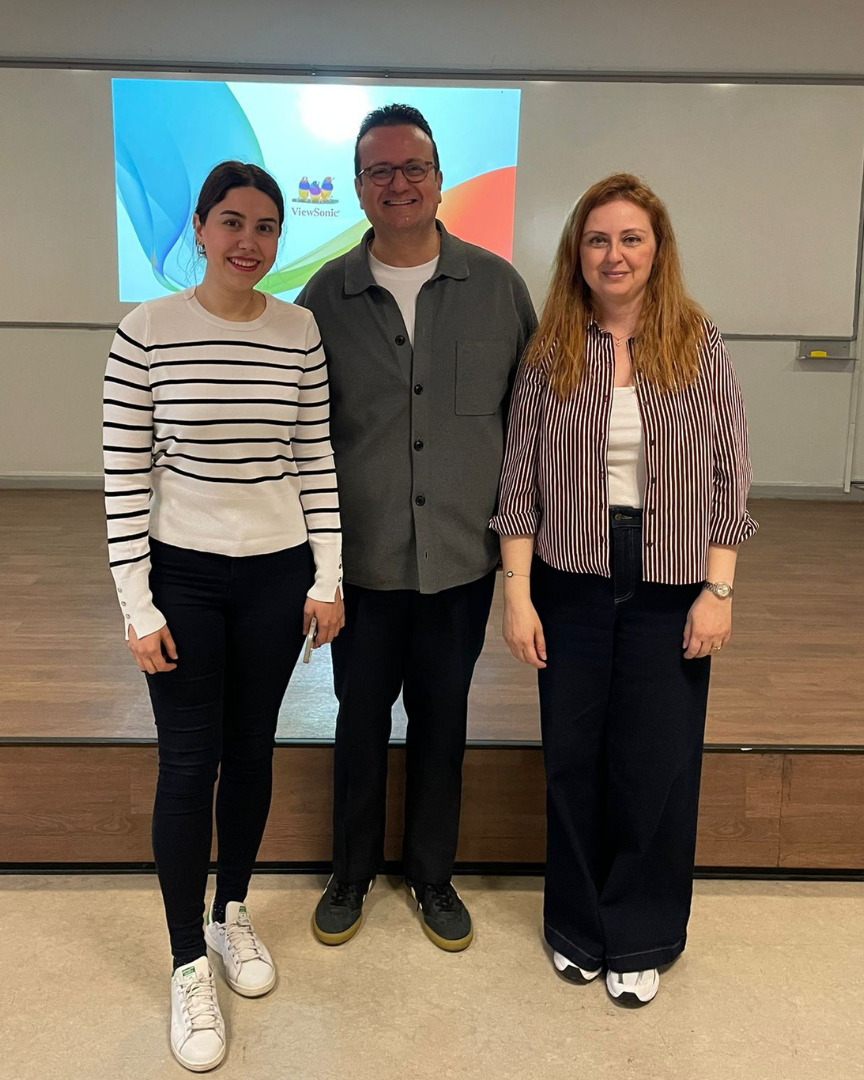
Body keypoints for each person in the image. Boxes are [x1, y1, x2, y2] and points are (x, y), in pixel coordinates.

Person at [490, 173, 757, 1006]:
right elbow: (519, 482)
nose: (614, 254)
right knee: (572, 758)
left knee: (657, 763)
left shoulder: (698, 342)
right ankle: (575, 925)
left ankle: (641, 933)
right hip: (568, 577)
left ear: (657, 248)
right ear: (577, 251)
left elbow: (730, 475)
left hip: (671, 580)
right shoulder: (551, 349)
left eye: (631, 238)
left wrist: (719, 591)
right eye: (598, 239)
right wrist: (517, 594)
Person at [103, 161, 343, 1071]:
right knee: (186, 762)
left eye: (266, 226)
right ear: (200, 229)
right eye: (232, 222)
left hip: (278, 576)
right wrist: (137, 604)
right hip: (184, 578)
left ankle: (229, 912)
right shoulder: (146, 331)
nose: (249, 241)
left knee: (250, 753)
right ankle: (184, 962)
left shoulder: (299, 331)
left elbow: (314, 457)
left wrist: (329, 578)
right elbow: (124, 476)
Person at [297, 104, 537, 952]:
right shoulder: (324, 298)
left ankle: (434, 876)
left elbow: (529, 425)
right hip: (361, 566)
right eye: (379, 170)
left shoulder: (497, 288)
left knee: (443, 722)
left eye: (413, 168)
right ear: (358, 187)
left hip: (460, 563)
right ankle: (351, 871)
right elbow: (302, 438)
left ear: (439, 179)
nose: (397, 183)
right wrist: (315, 568)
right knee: (359, 721)